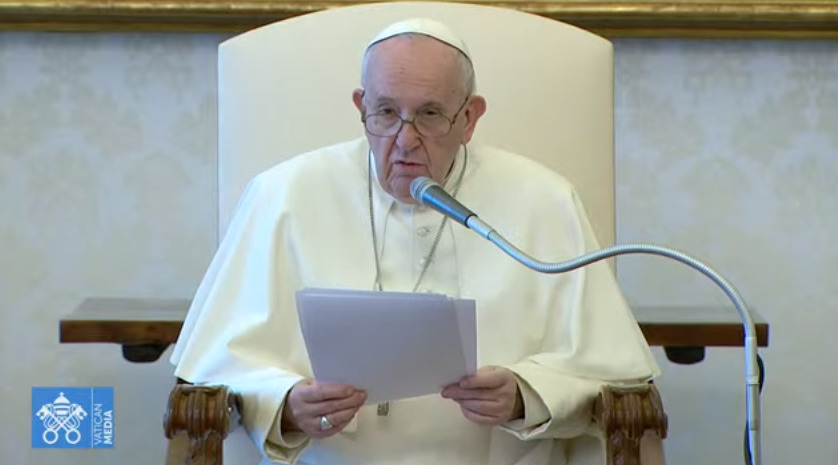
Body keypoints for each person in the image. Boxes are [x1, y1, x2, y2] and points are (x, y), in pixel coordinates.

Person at [170, 17, 660, 465]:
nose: (405, 141)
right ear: (361, 106)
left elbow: (612, 379)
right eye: (385, 112)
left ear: (470, 118)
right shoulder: (282, 196)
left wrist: (525, 395)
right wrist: (286, 405)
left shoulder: (545, 201)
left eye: (429, 114)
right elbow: (214, 372)